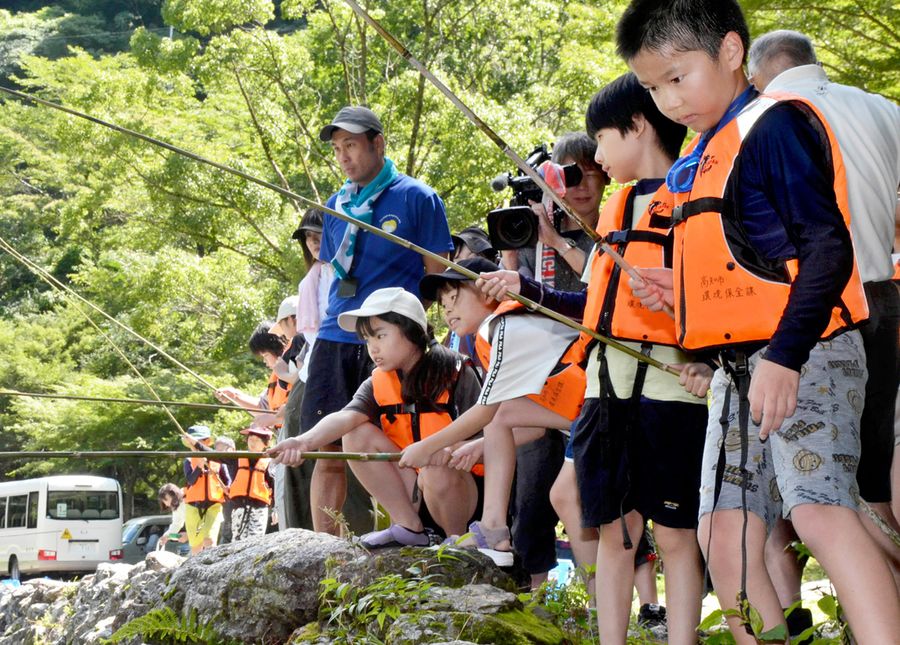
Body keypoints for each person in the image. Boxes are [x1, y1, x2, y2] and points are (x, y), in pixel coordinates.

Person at [616, 0, 900, 641]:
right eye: (653, 88)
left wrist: (786, 356)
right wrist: (683, 290)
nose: (669, 102)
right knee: (723, 531)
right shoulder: (707, 150)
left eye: (678, 77)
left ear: (730, 51)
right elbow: (755, 261)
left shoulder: (772, 127)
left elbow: (828, 248)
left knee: (822, 511)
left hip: (806, 354)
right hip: (737, 370)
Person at [475, 72, 709, 644]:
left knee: (675, 535)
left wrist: (707, 358)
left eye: (601, 139)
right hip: (605, 391)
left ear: (636, 127)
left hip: (672, 389)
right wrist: (526, 288)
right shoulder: (617, 207)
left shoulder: (693, 199)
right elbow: (594, 304)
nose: (598, 157)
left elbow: (715, 297)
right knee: (613, 530)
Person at [747, 30, 900, 624]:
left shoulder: (772, 117)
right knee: (873, 476)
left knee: (831, 492)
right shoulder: (882, 107)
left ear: (758, 73)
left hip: (823, 307)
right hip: (886, 293)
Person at [300, 105, 454, 536]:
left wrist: (428, 339)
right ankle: (320, 549)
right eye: (336, 148)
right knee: (326, 448)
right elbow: (334, 267)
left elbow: (435, 273)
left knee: (396, 443)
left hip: (394, 336)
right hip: (337, 333)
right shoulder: (335, 204)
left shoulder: (416, 197)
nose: (343, 155)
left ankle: (407, 536)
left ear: (377, 143)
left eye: (351, 144)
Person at [401, 257, 586, 566]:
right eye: (442, 301)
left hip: (600, 412)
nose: (446, 308)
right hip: (580, 417)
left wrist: (427, 446)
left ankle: (597, 604)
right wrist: (478, 445)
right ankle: (494, 530)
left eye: (454, 296)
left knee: (566, 498)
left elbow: (486, 410)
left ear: (488, 292)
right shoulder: (494, 333)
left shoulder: (504, 326)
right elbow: (530, 424)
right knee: (566, 498)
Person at [269, 287, 483, 546]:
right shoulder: (378, 381)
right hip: (414, 488)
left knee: (435, 469)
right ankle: (409, 527)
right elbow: (344, 418)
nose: (373, 349)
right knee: (355, 433)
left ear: (412, 331)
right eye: (368, 340)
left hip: (461, 492)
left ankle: (458, 541)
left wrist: (450, 449)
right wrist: (303, 442)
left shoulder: (457, 371)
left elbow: (489, 438)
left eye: (381, 336)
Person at [518, 132, 609, 292]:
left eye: (591, 175)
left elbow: (611, 279)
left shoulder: (615, 233)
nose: (582, 186)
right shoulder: (535, 238)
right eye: (571, 176)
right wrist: (509, 256)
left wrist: (557, 242)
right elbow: (516, 296)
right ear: (553, 181)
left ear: (606, 176)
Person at [181, 425, 232, 555]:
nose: (196, 444)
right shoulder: (188, 461)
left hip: (213, 505)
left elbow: (227, 481)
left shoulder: (217, 461)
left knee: (209, 540)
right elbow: (190, 480)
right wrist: (198, 467)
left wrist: (228, 488)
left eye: (201, 441)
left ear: (207, 442)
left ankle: (212, 566)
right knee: (196, 545)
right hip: (193, 506)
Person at [229, 428, 276, 541]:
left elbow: (275, 487)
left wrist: (275, 509)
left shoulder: (270, 462)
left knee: (255, 542)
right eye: (250, 439)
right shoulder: (237, 458)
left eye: (257, 440)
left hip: (259, 508)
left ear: (265, 444)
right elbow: (215, 456)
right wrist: (194, 444)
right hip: (239, 507)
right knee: (236, 541)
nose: (252, 443)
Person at [214, 436, 237, 544]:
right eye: (217, 451)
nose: (220, 454)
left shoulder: (239, 461)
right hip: (224, 502)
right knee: (226, 529)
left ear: (232, 449)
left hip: (239, 500)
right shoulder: (216, 464)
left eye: (222, 450)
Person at [157, 483, 188, 554]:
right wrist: (167, 536)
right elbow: (176, 524)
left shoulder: (189, 500)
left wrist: (188, 535)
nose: (167, 504)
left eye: (166, 500)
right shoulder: (177, 505)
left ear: (174, 494)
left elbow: (200, 522)